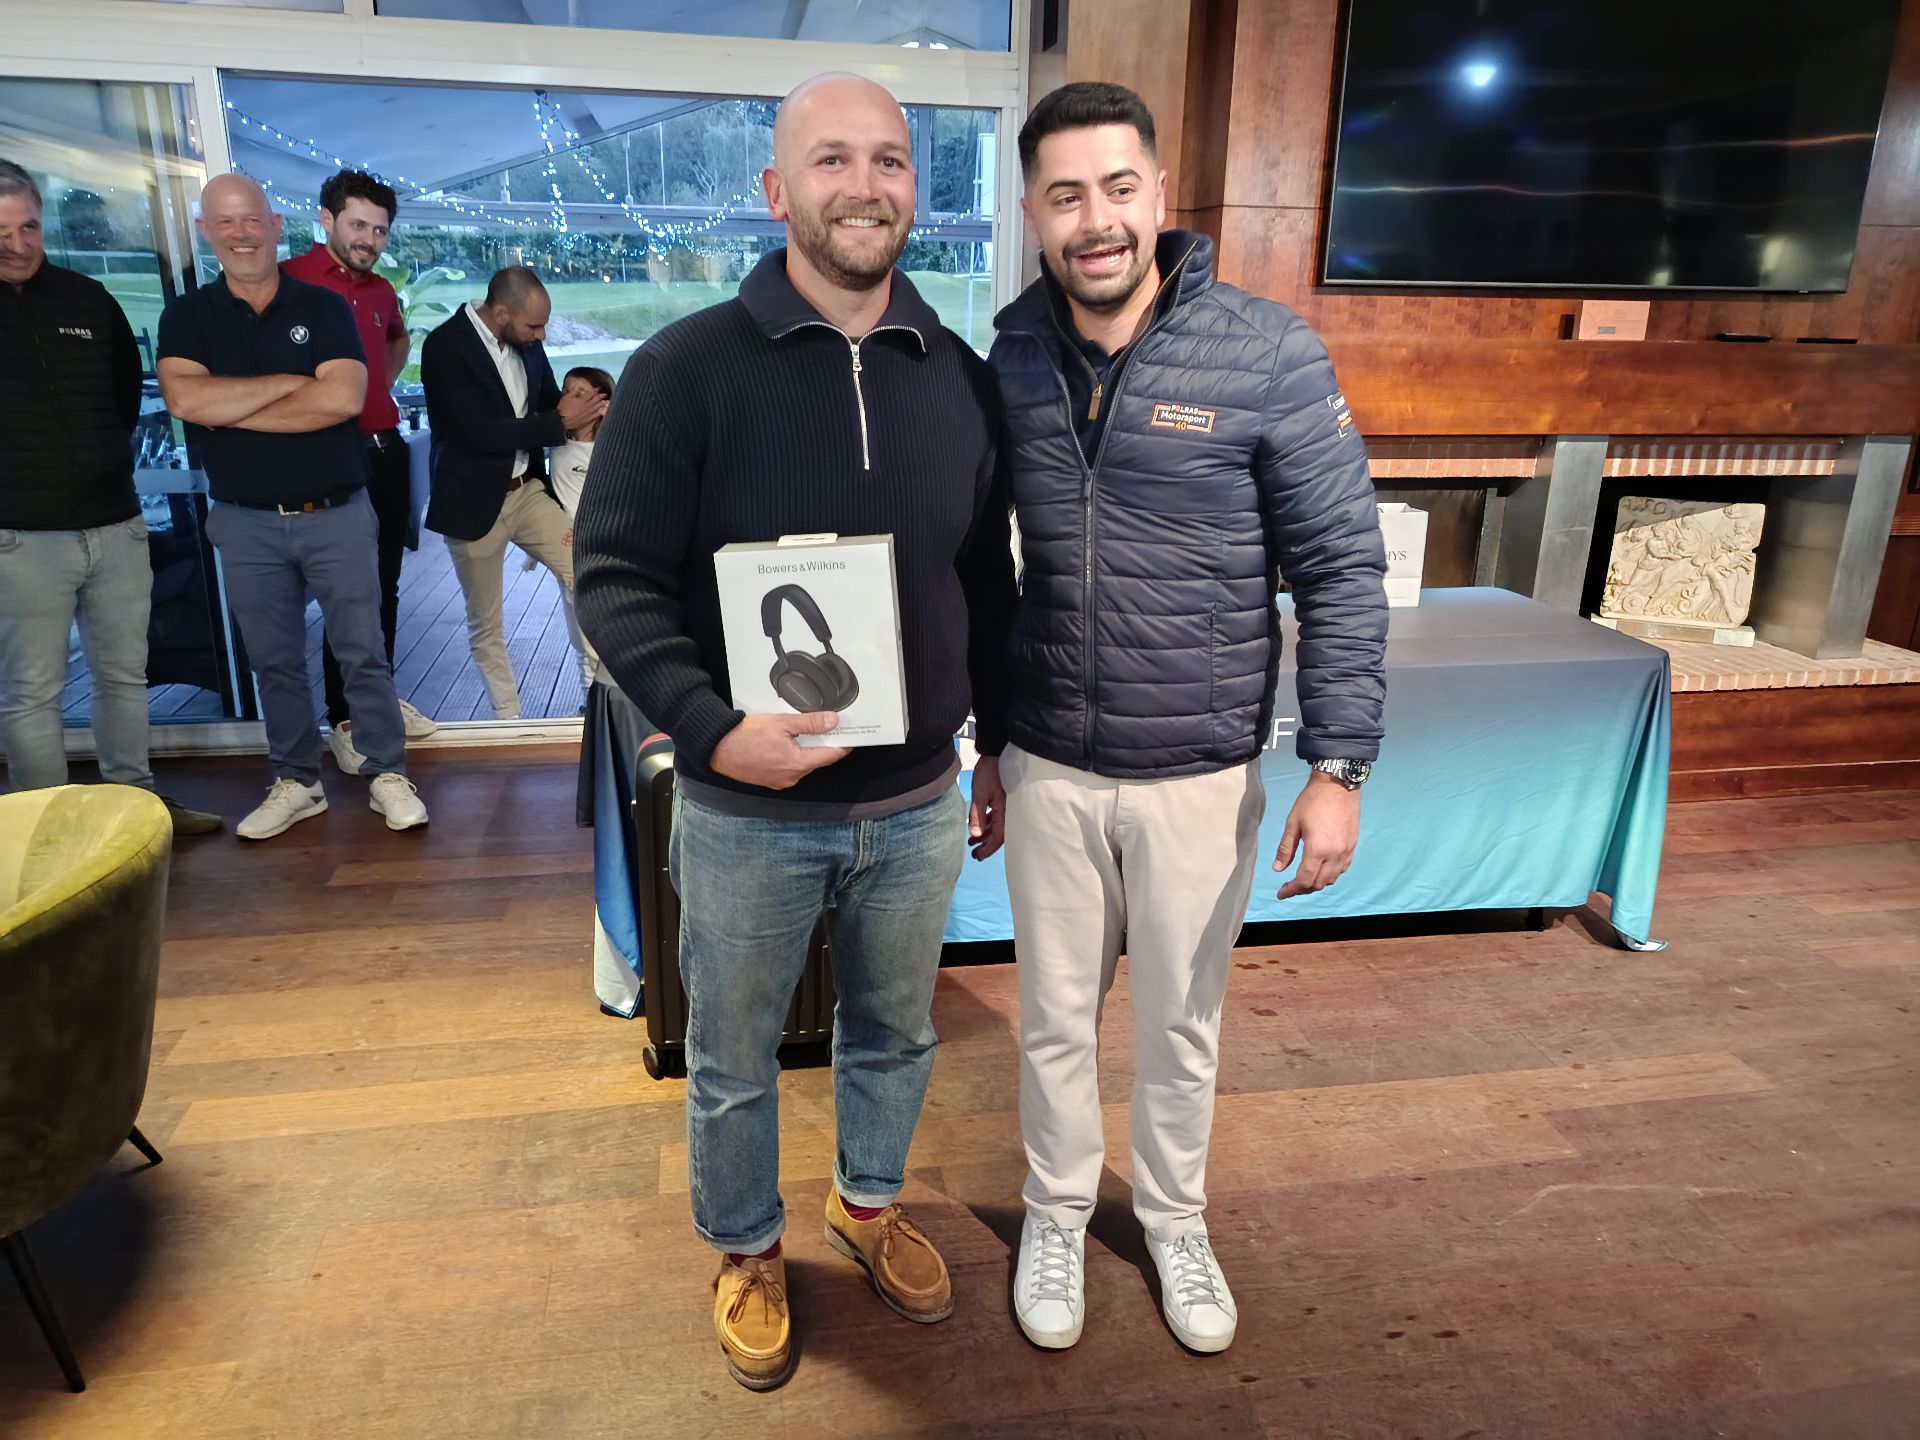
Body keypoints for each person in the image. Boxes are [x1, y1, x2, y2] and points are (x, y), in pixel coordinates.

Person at [574, 72, 1015, 1393]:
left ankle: (867, 1206)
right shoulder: (684, 371)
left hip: (917, 802)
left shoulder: (961, 378)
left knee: (897, 1033)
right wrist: (711, 733)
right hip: (746, 810)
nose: (864, 185)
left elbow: (984, 581)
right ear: (777, 190)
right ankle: (748, 1247)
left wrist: (999, 743)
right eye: (832, 160)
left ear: (915, 189)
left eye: (889, 160)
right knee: (730, 1055)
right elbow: (614, 579)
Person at [988, 82, 1388, 1355]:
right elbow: (985, 573)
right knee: (1054, 1021)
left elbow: (1340, 568)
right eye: (1066, 196)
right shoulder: (1009, 357)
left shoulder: (1268, 353)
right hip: (1049, 764)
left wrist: (1340, 765)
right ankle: (1057, 1213)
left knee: (1178, 1026)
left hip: (1200, 772)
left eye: (1118, 188)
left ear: (1159, 195)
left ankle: (1172, 1222)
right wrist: (989, 741)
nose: (1095, 220)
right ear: (1034, 211)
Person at [157, 173, 428, 839]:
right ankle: (297, 780)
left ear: (276, 225)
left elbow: (341, 398)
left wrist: (233, 403)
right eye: (226, 222)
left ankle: (386, 772)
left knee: (362, 651)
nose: (241, 233)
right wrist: (290, 385)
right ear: (205, 231)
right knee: (273, 660)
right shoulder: (187, 316)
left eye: (252, 219)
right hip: (245, 521)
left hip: (337, 512)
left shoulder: (324, 306)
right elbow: (187, 401)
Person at [0, 158, 221, 834]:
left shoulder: (88, 299)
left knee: (125, 676)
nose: (17, 243)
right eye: (1, 232)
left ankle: (136, 814)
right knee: (32, 692)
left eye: (27, 227)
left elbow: (125, 396)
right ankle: (47, 833)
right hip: (20, 536)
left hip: (115, 523)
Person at [282, 168, 438, 772]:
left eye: (379, 230)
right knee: (344, 590)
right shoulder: (289, 280)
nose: (369, 240)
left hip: (384, 449)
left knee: (384, 586)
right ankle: (345, 717)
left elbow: (396, 341)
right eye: (358, 225)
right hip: (326, 454)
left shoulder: (379, 293)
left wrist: (378, 390)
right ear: (326, 220)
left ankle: (376, 701)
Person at [420, 266, 605, 719]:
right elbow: (479, 434)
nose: (542, 336)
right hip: (471, 503)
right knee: (487, 622)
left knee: (588, 576)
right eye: (534, 326)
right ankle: (509, 719)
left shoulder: (527, 344)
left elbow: (547, 401)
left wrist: (587, 414)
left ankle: (600, 698)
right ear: (501, 313)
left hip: (527, 492)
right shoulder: (445, 347)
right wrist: (559, 422)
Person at [543, 365, 612, 693]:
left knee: (597, 632)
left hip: (600, 549)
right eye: (566, 390)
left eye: (580, 394)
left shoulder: (610, 449)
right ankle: (589, 699)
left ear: (601, 405)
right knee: (577, 633)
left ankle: (604, 700)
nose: (568, 399)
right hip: (568, 550)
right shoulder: (556, 444)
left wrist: (588, 528)